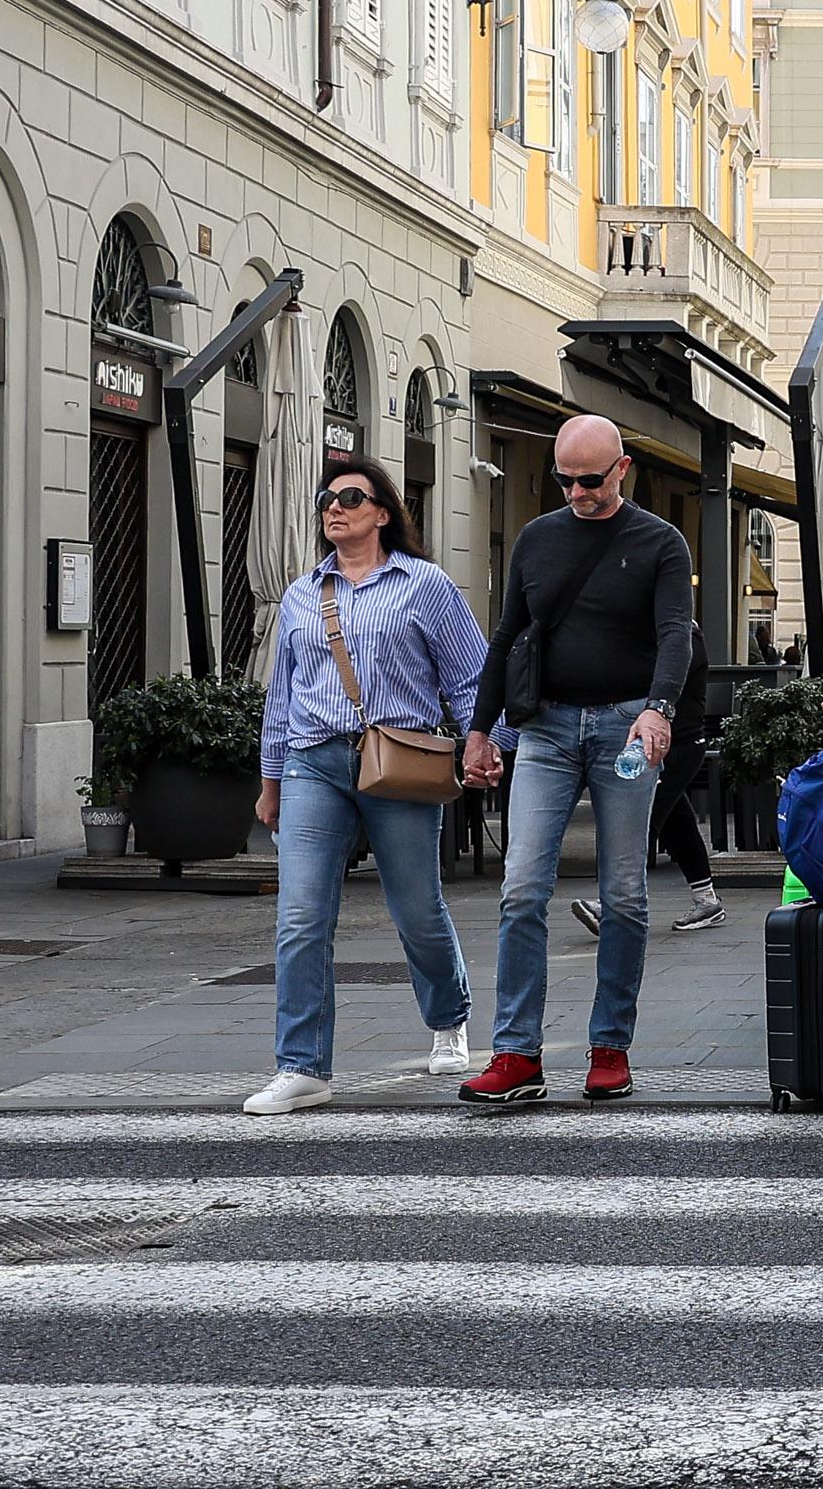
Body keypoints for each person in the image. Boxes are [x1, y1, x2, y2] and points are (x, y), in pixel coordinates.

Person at [459, 415, 695, 1105]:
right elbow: (505, 639)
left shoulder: (661, 542)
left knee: (623, 894)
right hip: (547, 730)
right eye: (565, 480)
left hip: (626, 726)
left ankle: (609, 1046)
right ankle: (515, 1052)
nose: (577, 492)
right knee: (521, 887)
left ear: (623, 469)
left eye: (591, 480)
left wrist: (660, 707)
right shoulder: (537, 538)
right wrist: (479, 732)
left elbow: (675, 633)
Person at [244, 458, 486, 1115]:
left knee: (417, 909)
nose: (335, 506)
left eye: (351, 496)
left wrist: (486, 745)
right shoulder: (301, 594)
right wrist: (270, 783)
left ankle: (448, 1018)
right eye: (327, 497)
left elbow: (469, 679)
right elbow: (280, 699)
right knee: (300, 918)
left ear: (383, 512)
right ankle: (302, 1066)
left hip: (400, 762)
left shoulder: (425, 585)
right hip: (312, 763)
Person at [576, 621, 727, 935]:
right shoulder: (662, 635)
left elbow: (665, 681)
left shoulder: (685, 636)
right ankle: (707, 900)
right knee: (677, 822)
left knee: (640, 820)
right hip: (661, 745)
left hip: (678, 746)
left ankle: (610, 906)